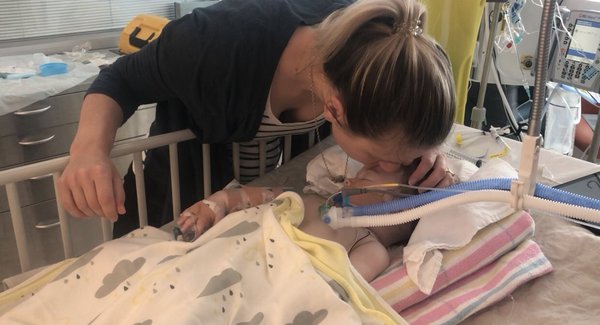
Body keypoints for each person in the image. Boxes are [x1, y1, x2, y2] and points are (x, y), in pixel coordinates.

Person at [57, 0, 456, 238]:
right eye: (384, 158)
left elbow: (401, 110)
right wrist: (88, 150)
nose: (393, 171)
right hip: (182, 179)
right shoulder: (215, 43)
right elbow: (120, 78)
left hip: (260, 192)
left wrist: (421, 151)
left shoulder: (374, 52)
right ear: (333, 109)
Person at [176, 163, 421, 282]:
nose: (349, 179)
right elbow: (264, 197)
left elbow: (335, 288)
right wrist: (219, 201)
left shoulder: (371, 247)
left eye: (364, 176)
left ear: (395, 201)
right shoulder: (318, 199)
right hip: (236, 248)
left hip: (266, 275)